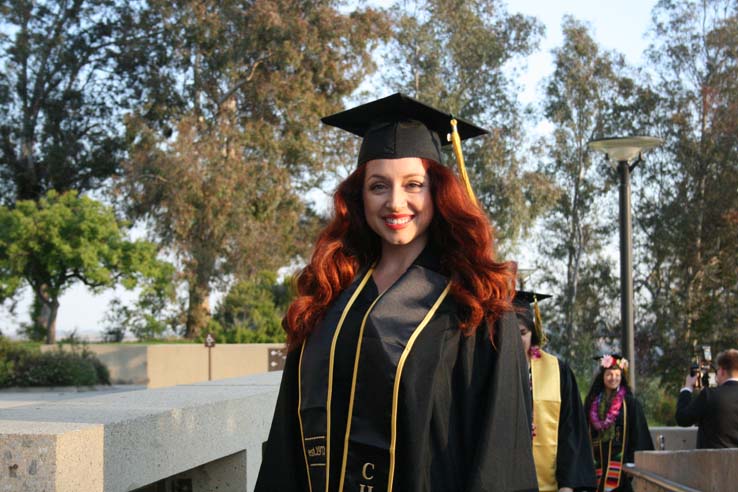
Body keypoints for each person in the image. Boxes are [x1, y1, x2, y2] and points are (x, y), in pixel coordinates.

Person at [255, 93, 537, 492]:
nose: (395, 202)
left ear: (438, 192)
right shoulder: (330, 293)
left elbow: (498, 451)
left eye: (413, 185)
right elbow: (288, 438)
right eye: (378, 186)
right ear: (359, 196)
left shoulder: (475, 303)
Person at [515, 291, 597, 492]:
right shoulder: (488, 371)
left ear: (533, 333)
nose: (517, 341)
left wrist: (568, 485)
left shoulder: (557, 371)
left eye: (523, 333)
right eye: (510, 334)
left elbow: (570, 430)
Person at [584, 354, 653, 492]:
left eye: (617, 375)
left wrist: (633, 463)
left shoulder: (630, 403)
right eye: (609, 374)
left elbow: (639, 435)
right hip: (595, 465)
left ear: (621, 377)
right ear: (602, 377)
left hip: (621, 469)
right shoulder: (591, 402)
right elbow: (582, 432)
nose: (613, 378)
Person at [675, 348, 738, 448]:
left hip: (713, 462)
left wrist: (687, 387)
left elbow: (682, 418)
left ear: (721, 371)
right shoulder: (709, 395)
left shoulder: (709, 395)